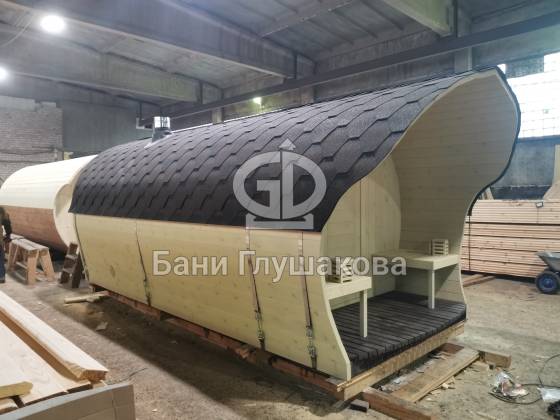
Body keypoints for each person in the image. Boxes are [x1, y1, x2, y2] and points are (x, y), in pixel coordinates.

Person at [0, 207, 12, 284]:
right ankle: (1, 277)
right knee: (0, 259)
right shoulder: (3, 213)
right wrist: (8, 236)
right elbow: (8, 228)